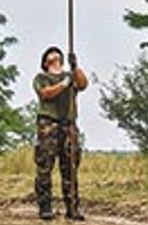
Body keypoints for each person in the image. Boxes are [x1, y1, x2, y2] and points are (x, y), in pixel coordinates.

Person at [33, 46, 88, 221]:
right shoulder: (42, 77)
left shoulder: (70, 75)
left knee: (70, 167)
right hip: (49, 124)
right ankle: (45, 207)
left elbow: (83, 84)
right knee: (45, 165)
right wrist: (65, 82)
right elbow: (46, 94)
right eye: (50, 53)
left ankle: (72, 208)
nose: (54, 54)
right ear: (45, 61)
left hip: (69, 125)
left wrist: (75, 67)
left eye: (57, 53)